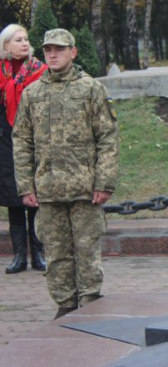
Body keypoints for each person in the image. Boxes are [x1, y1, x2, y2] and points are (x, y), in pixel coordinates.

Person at [13, 28, 119, 319]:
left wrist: (104, 181)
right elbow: (22, 140)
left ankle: (90, 303)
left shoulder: (90, 89)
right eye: (48, 50)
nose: (53, 55)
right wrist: (26, 186)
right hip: (47, 189)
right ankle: (64, 306)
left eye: (59, 49)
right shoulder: (32, 93)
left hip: (85, 188)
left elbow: (108, 138)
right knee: (57, 253)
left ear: (73, 52)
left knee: (86, 250)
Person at [0, 24, 48, 274]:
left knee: (36, 198)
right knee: (14, 199)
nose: (24, 43)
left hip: (34, 141)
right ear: (6, 46)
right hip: (6, 142)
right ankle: (19, 256)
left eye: (26, 39)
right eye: (18, 40)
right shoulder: (0, 73)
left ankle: (38, 253)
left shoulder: (40, 71)